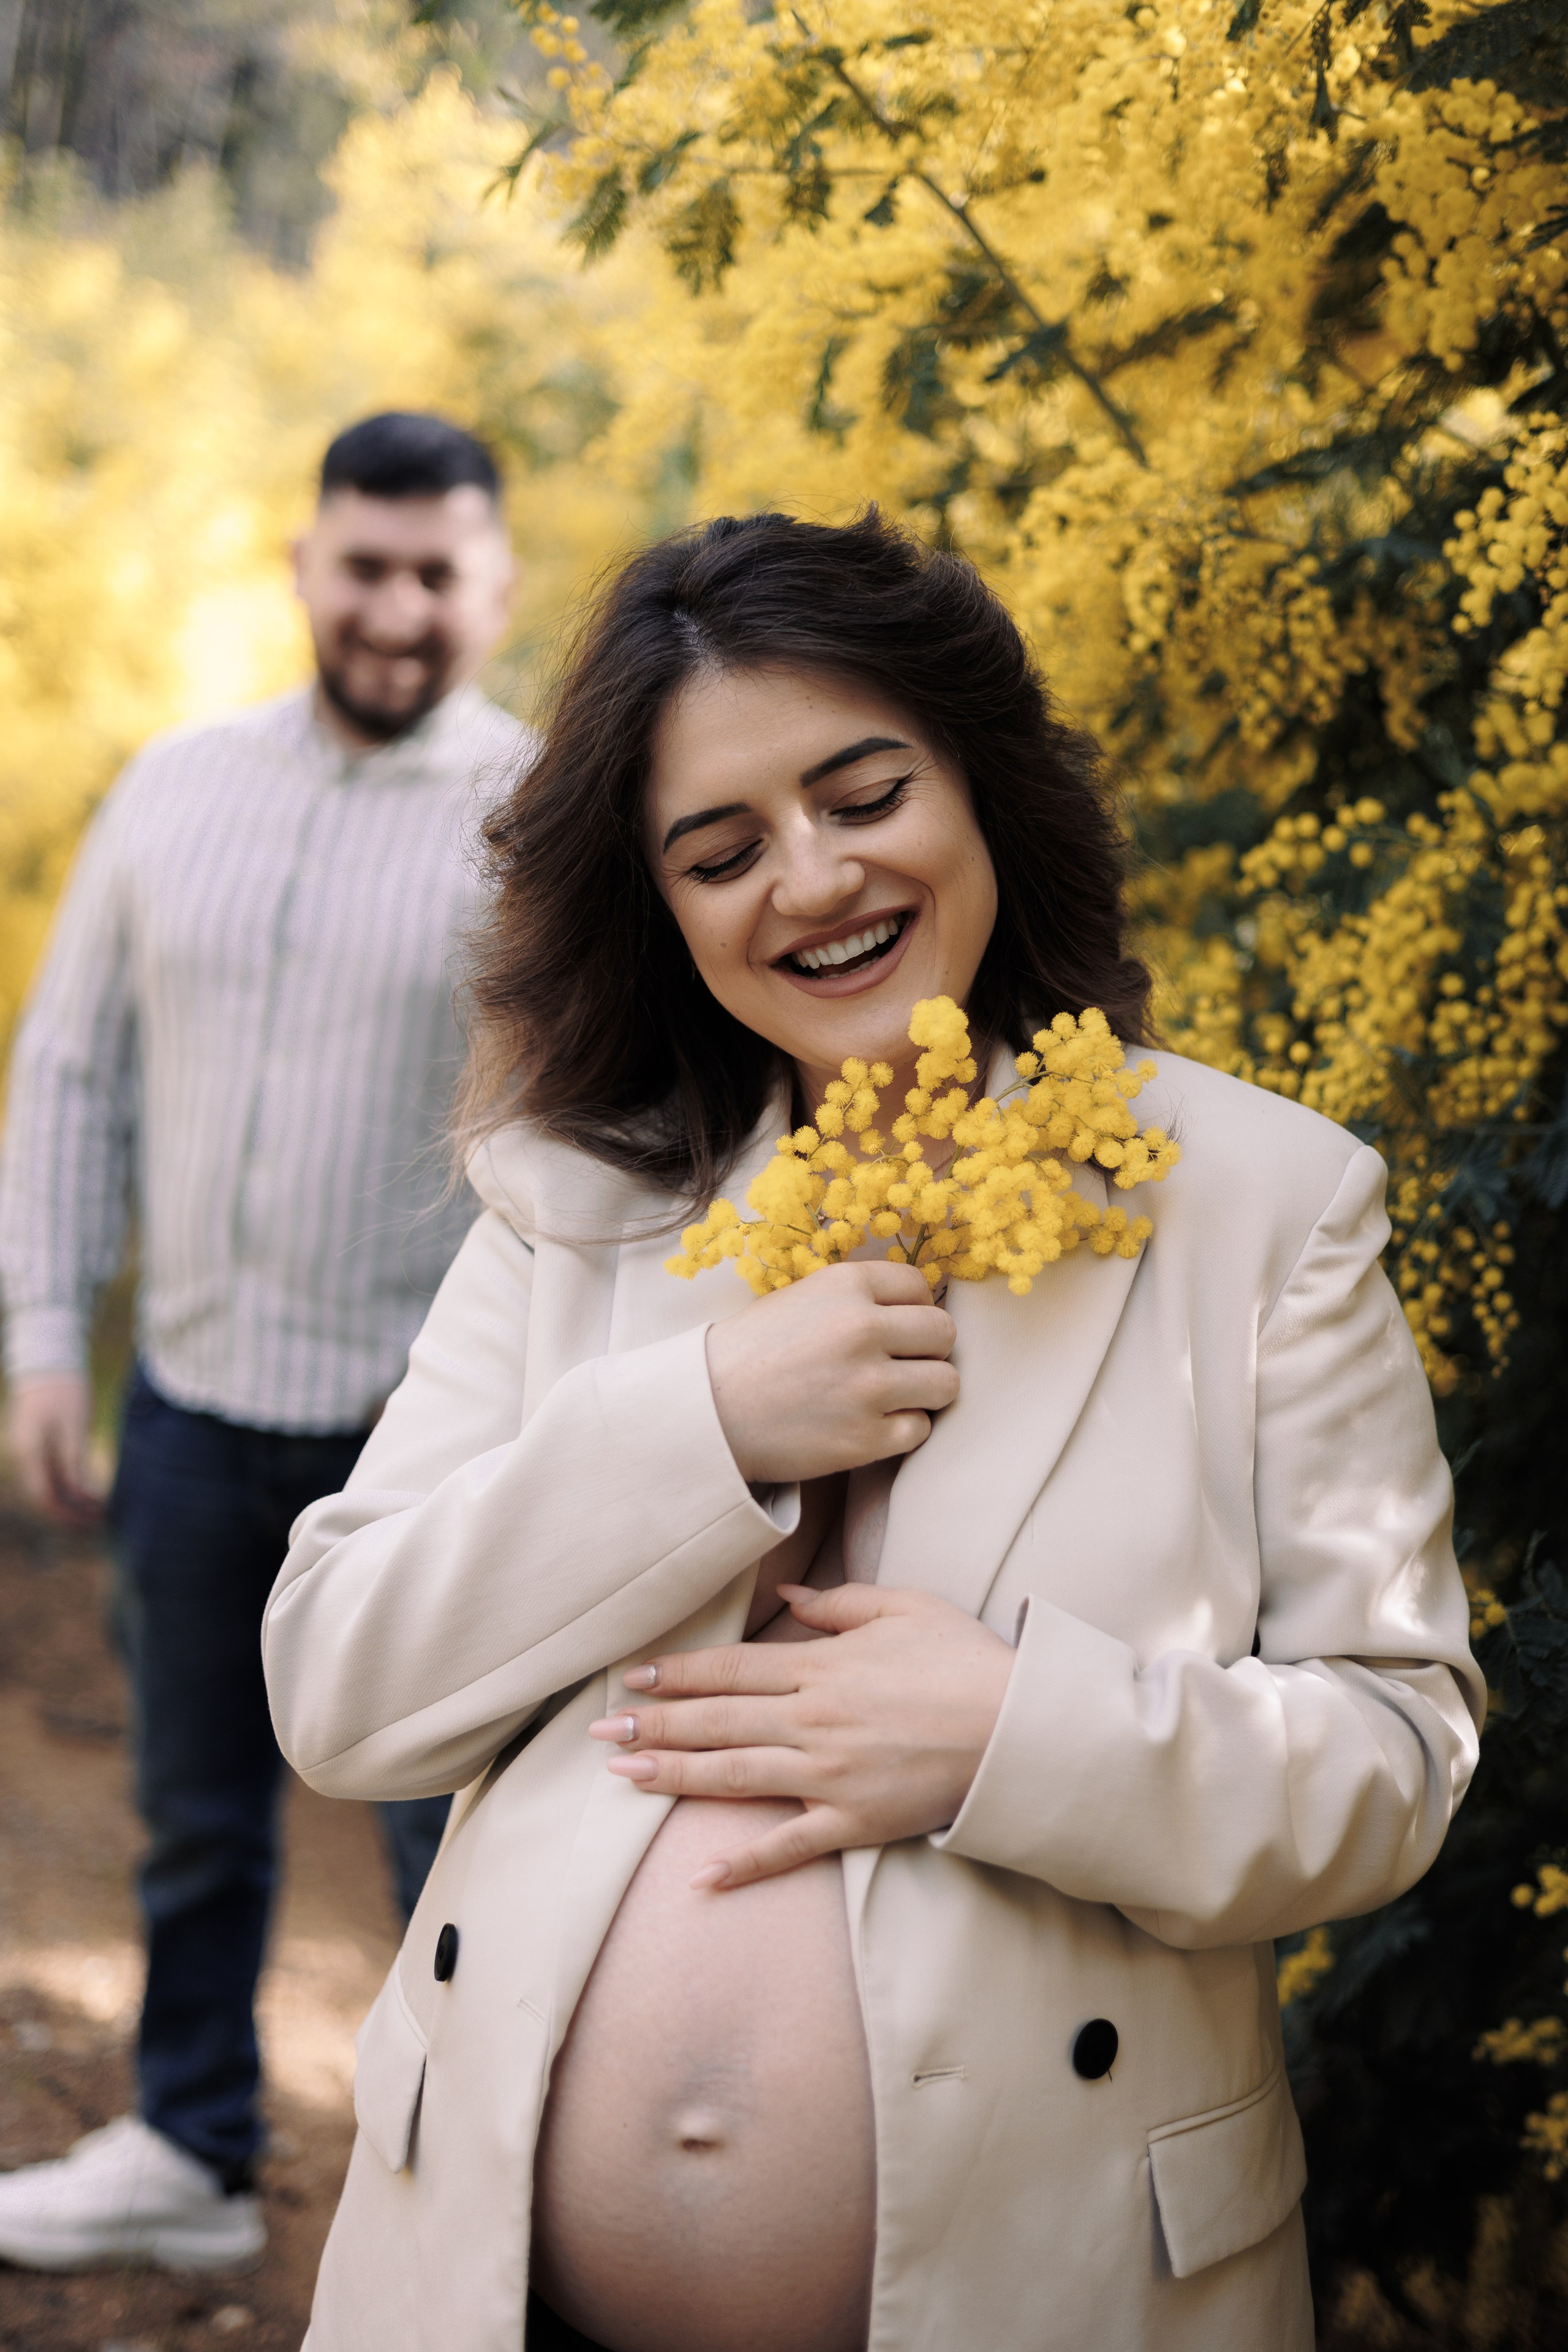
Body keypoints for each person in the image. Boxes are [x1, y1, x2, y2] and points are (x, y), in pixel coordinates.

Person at [261, 509, 1482, 2352]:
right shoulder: (574, 1206)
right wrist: (710, 1424)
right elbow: (339, 1684)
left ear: (980, 785)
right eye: (720, 849)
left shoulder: (1258, 1207)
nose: (811, 881)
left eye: (863, 793)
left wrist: (1014, 1734)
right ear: (661, 910)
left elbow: (1395, 1757)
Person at [0, 412, 529, 2276]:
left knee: (451, 1857)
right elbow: (71, 1071)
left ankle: (491, 2216)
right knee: (198, 1818)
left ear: (495, 589)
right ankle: (196, 2148)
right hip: (195, 1410)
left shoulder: (541, 826)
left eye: (435, 575)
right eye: (366, 566)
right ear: (307, 567)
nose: (396, 610)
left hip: (432, 1443)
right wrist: (44, 1342)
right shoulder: (173, 787)